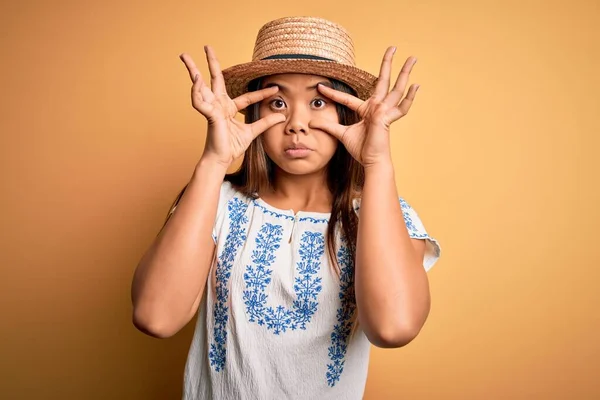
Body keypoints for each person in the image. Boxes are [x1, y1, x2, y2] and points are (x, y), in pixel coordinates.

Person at [131, 16, 441, 400]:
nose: (296, 123)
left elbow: (394, 328)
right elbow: (155, 317)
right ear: (256, 112)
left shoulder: (383, 215)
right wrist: (213, 161)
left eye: (318, 101)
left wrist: (377, 164)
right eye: (278, 102)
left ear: (348, 111)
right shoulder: (216, 201)